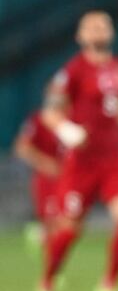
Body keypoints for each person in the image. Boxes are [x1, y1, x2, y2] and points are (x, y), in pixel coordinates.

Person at [35, 10, 118, 291]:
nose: (98, 30)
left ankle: (107, 287)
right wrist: (68, 131)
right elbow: (50, 113)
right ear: (80, 36)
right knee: (69, 231)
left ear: (111, 32)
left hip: (115, 158)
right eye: (91, 26)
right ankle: (45, 285)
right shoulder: (72, 72)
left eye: (103, 25)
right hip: (82, 162)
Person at [13, 110, 63, 263]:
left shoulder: (73, 119)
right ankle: (51, 270)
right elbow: (21, 148)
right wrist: (45, 164)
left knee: (64, 222)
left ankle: (38, 234)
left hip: (69, 178)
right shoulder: (37, 120)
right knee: (53, 221)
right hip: (47, 180)